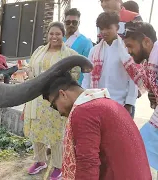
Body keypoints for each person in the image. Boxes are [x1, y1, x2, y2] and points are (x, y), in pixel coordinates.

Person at [42, 72, 152, 180]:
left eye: (54, 106)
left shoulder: (84, 112)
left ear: (63, 94)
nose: (59, 112)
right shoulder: (104, 102)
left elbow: (87, 165)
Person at [23, 22, 80, 180]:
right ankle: (40, 161)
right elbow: (30, 66)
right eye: (51, 33)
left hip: (55, 101)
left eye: (58, 34)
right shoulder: (39, 51)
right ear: (47, 35)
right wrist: (29, 73)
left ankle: (57, 165)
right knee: (36, 132)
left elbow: (76, 70)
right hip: (36, 99)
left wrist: (65, 85)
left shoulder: (69, 54)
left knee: (56, 134)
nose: (54, 37)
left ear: (63, 35)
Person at [82, 12, 138, 118]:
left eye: (108, 28)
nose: (104, 32)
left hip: (120, 103)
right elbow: (87, 78)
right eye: (101, 28)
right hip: (96, 103)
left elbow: (133, 78)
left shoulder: (126, 50)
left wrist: (129, 103)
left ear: (117, 27)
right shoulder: (94, 51)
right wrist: (83, 98)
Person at [120, 21, 158, 175]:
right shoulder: (150, 61)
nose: (128, 51)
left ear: (146, 41)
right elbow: (146, 83)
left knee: (137, 146)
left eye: (130, 46)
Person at [63, 8, 93, 85]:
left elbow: (88, 68)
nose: (71, 25)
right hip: (57, 83)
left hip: (77, 85)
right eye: (68, 22)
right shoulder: (59, 39)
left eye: (74, 22)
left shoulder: (86, 42)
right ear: (64, 22)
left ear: (79, 23)